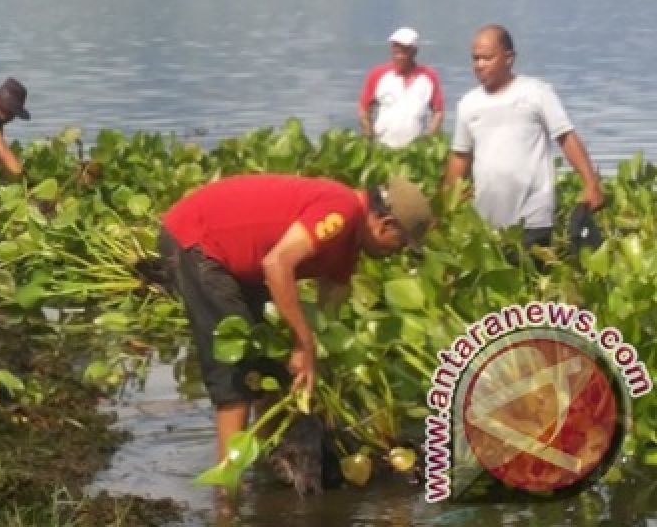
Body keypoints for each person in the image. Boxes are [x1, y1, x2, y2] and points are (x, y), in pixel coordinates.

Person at [159, 174, 432, 468]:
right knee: (236, 375)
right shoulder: (341, 210)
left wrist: (325, 373)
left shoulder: (349, 244)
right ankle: (227, 493)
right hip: (198, 241)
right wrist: (304, 344)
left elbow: (328, 311)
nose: (397, 252)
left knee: (272, 368)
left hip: (240, 263)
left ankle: (264, 465)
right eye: (401, 243)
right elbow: (277, 264)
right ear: (385, 224)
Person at [443, 24, 603, 248]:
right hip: (485, 221)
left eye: (487, 58)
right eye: (475, 59)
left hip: (533, 219)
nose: (479, 65)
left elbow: (566, 138)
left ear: (509, 58)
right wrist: (446, 203)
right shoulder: (468, 104)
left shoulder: (536, 93)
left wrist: (591, 183)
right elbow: (460, 157)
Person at [358, 27, 444, 147]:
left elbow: (438, 111)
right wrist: (369, 135)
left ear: (414, 51)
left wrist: (429, 138)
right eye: (396, 50)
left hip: (415, 151)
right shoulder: (378, 74)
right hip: (382, 148)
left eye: (404, 51)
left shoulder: (429, 77)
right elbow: (364, 109)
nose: (399, 56)